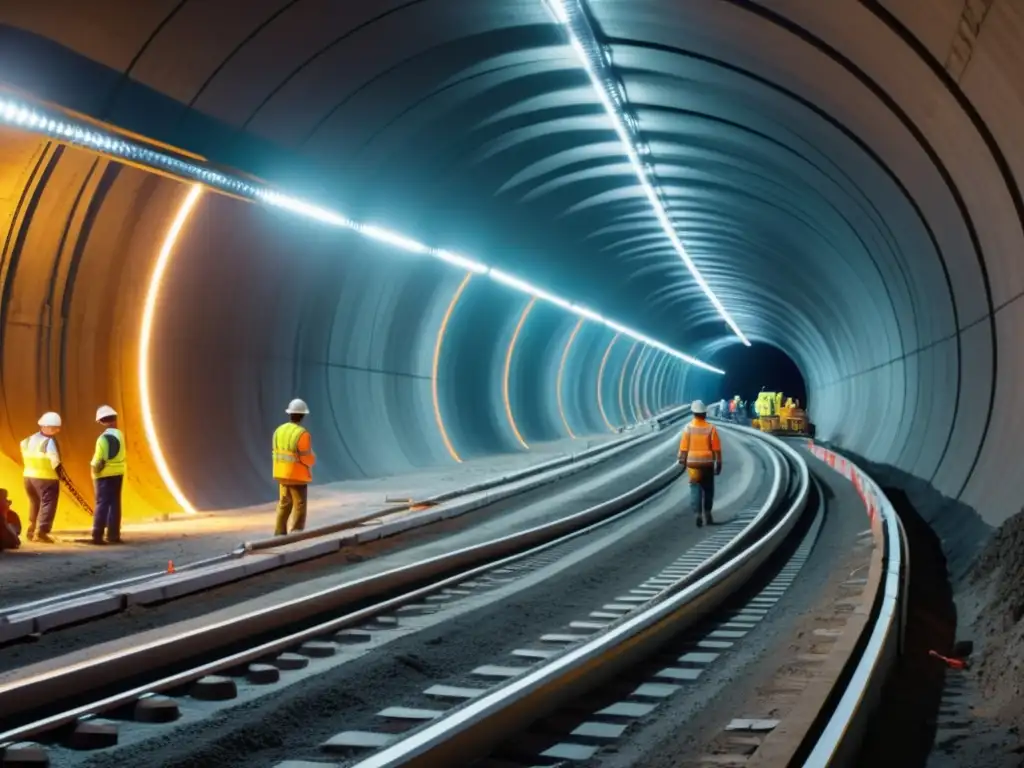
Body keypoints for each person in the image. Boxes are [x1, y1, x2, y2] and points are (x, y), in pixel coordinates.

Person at [273, 398, 316, 536]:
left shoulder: (279, 431)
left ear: (290, 414)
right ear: (303, 416)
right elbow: (306, 458)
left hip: (281, 474)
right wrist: (312, 460)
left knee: (284, 504)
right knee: (299, 505)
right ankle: (296, 534)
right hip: (297, 475)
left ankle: (279, 533)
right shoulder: (302, 434)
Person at [677, 400, 723, 528]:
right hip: (707, 463)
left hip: (693, 465)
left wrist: (681, 459)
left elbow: (683, 448)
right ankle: (707, 513)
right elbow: (717, 449)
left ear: (693, 413)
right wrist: (718, 463)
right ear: (705, 414)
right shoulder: (711, 428)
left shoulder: (688, 428)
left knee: (695, 489)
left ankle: (697, 514)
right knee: (708, 490)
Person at [20, 412, 63, 543]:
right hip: (46, 478)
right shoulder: (48, 442)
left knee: (34, 503)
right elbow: (55, 460)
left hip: (28, 477)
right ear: (47, 427)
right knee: (48, 504)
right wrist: (60, 474)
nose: (57, 430)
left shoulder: (26, 440)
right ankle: (42, 532)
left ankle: (31, 530)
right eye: (55, 428)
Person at [91, 405, 126, 545]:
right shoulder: (120, 435)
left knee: (102, 504)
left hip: (104, 475)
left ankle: (97, 535)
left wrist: (95, 470)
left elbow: (100, 459)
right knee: (115, 504)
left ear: (101, 421)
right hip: (118, 473)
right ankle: (113, 534)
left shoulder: (103, 439)